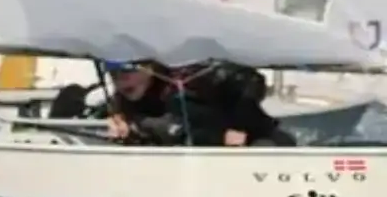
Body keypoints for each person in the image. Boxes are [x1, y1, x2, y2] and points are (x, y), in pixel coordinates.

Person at [103, 60, 293, 147]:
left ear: (150, 68)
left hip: (259, 145)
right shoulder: (126, 99)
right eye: (114, 75)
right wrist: (117, 117)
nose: (121, 82)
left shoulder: (189, 78)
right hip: (202, 157)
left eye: (127, 73)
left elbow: (252, 79)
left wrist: (238, 127)